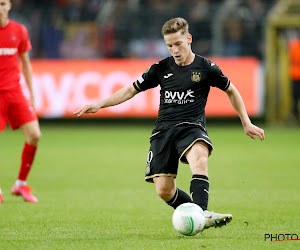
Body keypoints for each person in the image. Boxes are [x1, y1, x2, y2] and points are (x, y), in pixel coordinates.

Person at [74, 17, 265, 229]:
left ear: (189, 39)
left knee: (199, 158)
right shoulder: (160, 68)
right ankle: (204, 215)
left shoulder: (206, 68)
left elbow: (232, 90)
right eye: (169, 45)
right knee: (164, 190)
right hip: (163, 132)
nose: (174, 50)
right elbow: (130, 90)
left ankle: (200, 217)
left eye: (178, 44)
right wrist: (100, 104)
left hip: (192, 127)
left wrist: (246, 122)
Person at [0, 0, 41, 204]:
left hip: (15, 92)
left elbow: (25, 63)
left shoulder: (19, 30)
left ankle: (20, 184)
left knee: (34, 134)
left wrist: (32, 94)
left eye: (2, 3)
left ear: (9, 6)